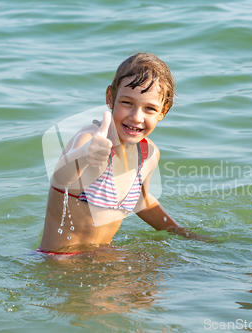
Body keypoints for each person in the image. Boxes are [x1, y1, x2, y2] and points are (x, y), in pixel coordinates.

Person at [40, 52, 204, 254]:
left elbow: (141, 201)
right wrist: (85, 155)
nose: (136, 117)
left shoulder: (148, 154)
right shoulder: (90, 139)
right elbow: (60, 179)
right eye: (127, 103)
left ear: (164, 111)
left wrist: (181, 232)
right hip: (62, 263)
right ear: (111, 98)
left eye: (150, 108)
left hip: (102, 257)